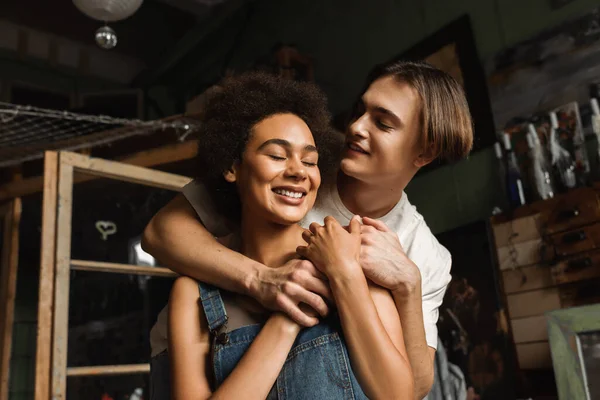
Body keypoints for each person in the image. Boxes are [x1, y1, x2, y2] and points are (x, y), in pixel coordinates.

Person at [144, 60, 474, 399]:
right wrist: (264, 283)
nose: (356, 126)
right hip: (201, 347)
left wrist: (407, 286)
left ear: (425, 151)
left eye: (383, 123)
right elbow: (160, 233)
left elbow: (410, 390)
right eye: (360, 110)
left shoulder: (423, 255)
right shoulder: (289, 161)